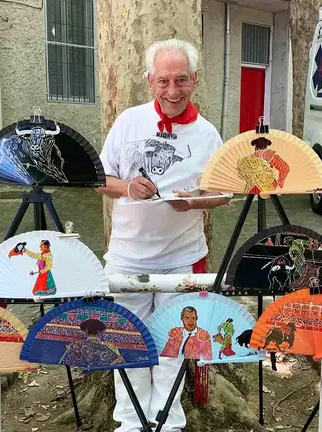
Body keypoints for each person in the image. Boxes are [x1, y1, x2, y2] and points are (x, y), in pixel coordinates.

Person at [96, 38, 231, 432]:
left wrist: (195, 202)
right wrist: (127, 187)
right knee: (126, 343)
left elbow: (224, 192)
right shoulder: (128, 121)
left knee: (173, 346)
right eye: (164, 81)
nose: (173, 91)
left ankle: (166, 422)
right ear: (149, 80)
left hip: (181, 259)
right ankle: (130, 422)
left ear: (195, 80)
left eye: (181, 80)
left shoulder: (207, 133)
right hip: (127, 257)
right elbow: (98, 179)